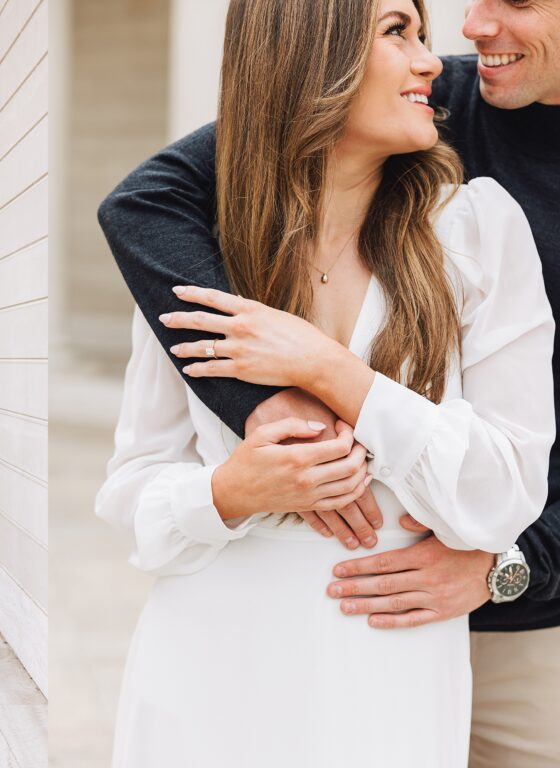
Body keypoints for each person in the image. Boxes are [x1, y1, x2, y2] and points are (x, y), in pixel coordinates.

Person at [94, 0, 555, 765]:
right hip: (204, 682)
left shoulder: (478, 229)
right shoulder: (196, 249)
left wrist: (334, 372)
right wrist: (230, 492)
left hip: (387, 687)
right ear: (312, 53)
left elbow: (503, 492)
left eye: (421, 34)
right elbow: (133, 487)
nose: (433, 62)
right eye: (398, 32)